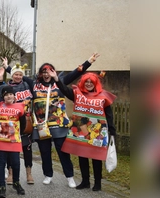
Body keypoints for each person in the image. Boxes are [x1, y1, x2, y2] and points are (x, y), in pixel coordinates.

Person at [15, 53, 100, 188]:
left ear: (53, 72)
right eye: (44, 72)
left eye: (49, 71)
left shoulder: (59, 82)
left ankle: (69, 177)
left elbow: (75, 73)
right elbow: (17, 75)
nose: (47, 74)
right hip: (41, 125)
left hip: (59, 124)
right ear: (41, 74)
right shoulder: (34, 84)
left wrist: (89, 62)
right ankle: (48, 175)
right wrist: (6, 67)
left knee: (63, 151)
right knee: (45, 152)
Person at [50, 71, 116, 191]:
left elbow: (109, 114)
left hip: (97, 131)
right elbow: (65, 90)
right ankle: (85, 181)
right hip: (80, 130)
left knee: (96, 157)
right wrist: (56, 79)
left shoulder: (103, 96)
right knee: (82, 156)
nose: (89, 84)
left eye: (91, 82)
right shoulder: (77, 94)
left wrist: (112, 130)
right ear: (83, 83)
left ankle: (97, 183)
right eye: (87, 82)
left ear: (96, 83)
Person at [0, 85, 27, 198]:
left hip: (14, 141)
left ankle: (16, 183)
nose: (9, 96)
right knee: (1, 164)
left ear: (14, 96)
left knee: (16, 163)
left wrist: (18, 133)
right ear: (3, 97)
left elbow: (23, 124)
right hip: (1, 140)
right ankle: (1, 186)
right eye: (6, 95)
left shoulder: (20, 107)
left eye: (11, 94)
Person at [0, 60, 35, 185]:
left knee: (27, 148)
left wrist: (9, 68)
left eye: (20, 74)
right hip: (11, 122)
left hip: (26, 121)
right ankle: (10, 173)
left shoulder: (28, 84)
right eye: (16, 74)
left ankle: (29, 173)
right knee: (11, 149)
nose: (18, 76)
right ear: (11, 75)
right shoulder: (7, 87)